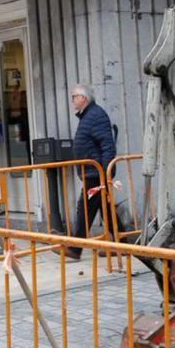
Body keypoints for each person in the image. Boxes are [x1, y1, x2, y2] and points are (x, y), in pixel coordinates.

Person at [57, 84, 117, 261]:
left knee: (85, 207)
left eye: (74, 96)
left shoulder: (95, 115)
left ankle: (75, 249)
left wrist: (105, 172)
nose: (73, 100)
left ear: (83, 98)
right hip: (93, 171)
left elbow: (107, 145)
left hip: (96, 172)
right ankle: (124, 242)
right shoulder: (89, 116)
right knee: (104, 208)